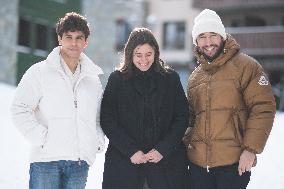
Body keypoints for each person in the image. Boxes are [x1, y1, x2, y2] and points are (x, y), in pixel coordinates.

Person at [183, 9, 276, 189]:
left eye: (213, 35)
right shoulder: (195, 77)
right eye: (202, 36)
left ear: (222, 36)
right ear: (196, 41)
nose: (208, 42)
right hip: (198, 167)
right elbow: (191, 119)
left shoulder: (246, 66)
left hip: (232, 164)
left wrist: (250, 150)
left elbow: (262, 108)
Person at [11, 12, 105, 189]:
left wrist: (96, 141)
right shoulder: (38, 72)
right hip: (46, 162)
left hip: (79, 164)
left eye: (79, 38)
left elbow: (98, 118)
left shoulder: (93, 79)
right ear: (59, 39)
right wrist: (43, 138)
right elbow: (19, 109)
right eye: (68, 37)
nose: (74, 43)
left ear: (86, 42)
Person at [100, 27, 189, 189]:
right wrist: (131, 150)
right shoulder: (117, 80)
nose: (144, 60)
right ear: (130, 54)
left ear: (156, 53)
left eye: (149, 54)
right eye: (138, 55)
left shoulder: (170, 79)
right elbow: (107, 119)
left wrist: (163, 149)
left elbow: (182, 117)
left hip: (166, 164)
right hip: (125, 164)